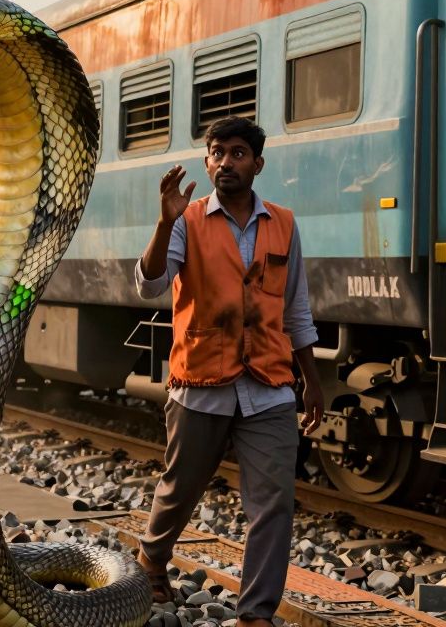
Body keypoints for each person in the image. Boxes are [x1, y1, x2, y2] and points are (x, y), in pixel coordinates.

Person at [134, 117, 323, 627]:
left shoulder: (283, 222)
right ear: (207, 162)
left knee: (273, 505)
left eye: (238, 153)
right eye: (217, 153)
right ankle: (152, 554)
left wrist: (311, 380)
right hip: (200, 383)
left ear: (258, 164)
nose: (226, 162)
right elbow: (150, 287)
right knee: (181, 488)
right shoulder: (187, 219)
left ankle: (255, 614)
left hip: (269, 386)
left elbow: (296, 307)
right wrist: (163, 221)